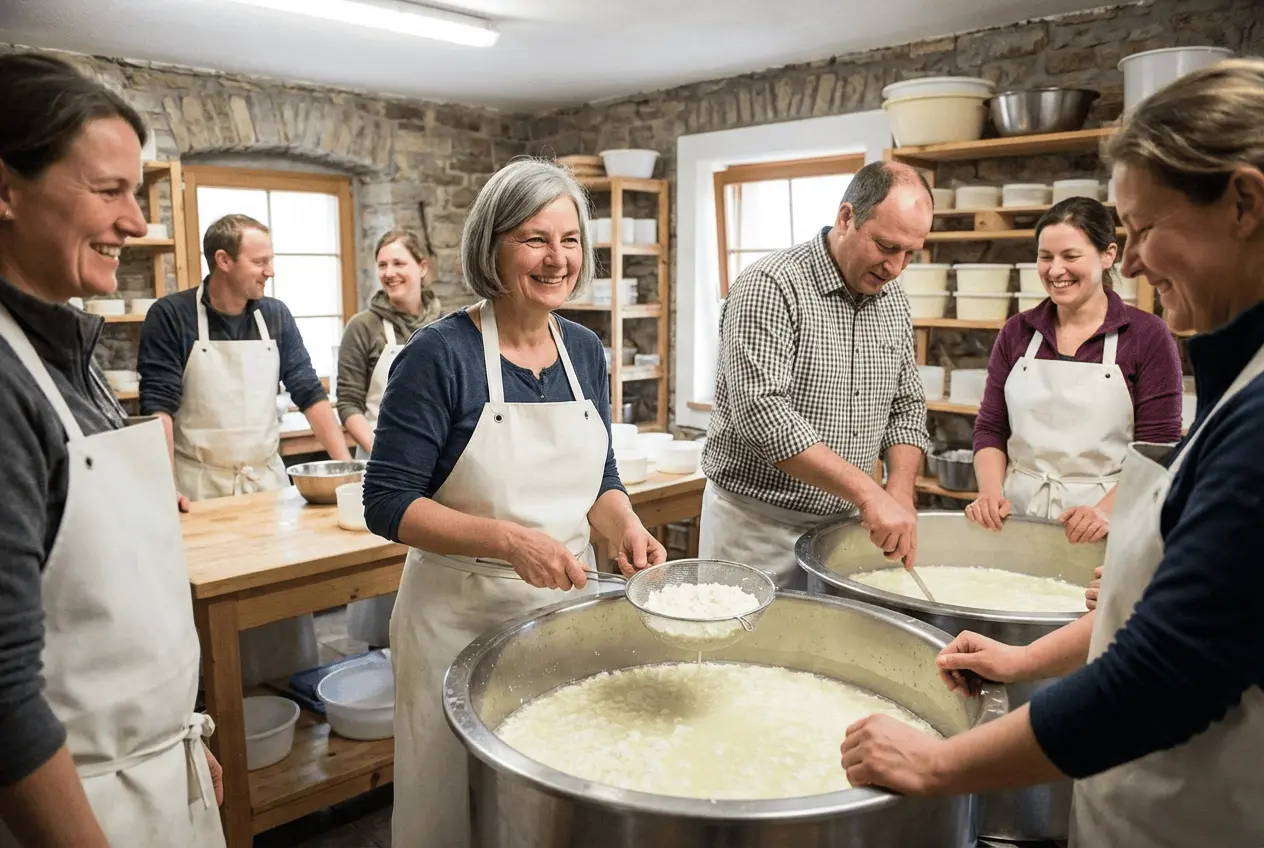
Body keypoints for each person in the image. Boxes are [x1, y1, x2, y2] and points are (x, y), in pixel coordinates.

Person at [840, 58, 1264, 848]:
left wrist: (938, 766)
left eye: (1143, 231)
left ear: (1243, 203)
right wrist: (1019, 657)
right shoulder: (1234, 376)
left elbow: (1162, 674)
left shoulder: (1250, 411)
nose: (1131, 263)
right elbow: (1151, 614)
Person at [363, 158, 666, 847]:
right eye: (534, 239)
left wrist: (627, 529)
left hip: (558, 620)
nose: (557, 259)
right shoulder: (438, 355)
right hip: (456, 623)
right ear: (490, 246)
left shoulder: (585, 350)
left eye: (569, 240)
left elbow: (601, 480)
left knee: (543, 809)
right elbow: (385, 503)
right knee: (454, 810)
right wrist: (508, 540)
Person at [0, 53, 224, 847]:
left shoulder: (65, 353)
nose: (135, 223)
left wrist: (178, 738)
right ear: (6, 190)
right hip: (78, 807)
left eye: (137, 193)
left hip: (147, 770)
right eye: (109, 191)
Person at [137, 213, 353, 686]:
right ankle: (219, 708)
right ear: (223, 260)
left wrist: (348, 468)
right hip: (201, 491)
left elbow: (308, 393)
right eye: (260, 260)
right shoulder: (171, 316)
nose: (269, 270)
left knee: (276, 603)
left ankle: (289, 691)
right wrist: (161, 487)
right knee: (215, 614)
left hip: (265, 486)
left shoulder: (273, 315)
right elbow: (159, 407)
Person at [699, 161, 934, 588]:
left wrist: (899, 489)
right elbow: (763, 414)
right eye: (885, 246)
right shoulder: (770, 285)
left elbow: (907, 405)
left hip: (844, 528)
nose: (896, 267)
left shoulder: (893, 299)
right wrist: (868, 492)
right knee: (746, 651)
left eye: (910, 254)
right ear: (846, 218)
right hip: (756, 529)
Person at [967, 197, 1183, 544]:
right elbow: (991, 427)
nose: (1055, 270)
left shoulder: (1147, 336)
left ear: (1108, 254)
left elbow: (1158, 449)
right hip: (1017, 518)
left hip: (1106, 526)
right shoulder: (1018, 332)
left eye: (1070, 256)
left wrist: (1105, 511)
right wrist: (990, 493)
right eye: (1045, 257)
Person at [335, 228, 442, 646]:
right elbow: (347, 404)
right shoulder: (363, 328)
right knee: (382, 572)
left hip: (441, 467)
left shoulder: (449, 322)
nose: (389, 272)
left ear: (422, 267)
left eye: (399, 263)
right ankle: (381, 656)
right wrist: (393, 454)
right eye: (382, 264)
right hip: (381, 462)